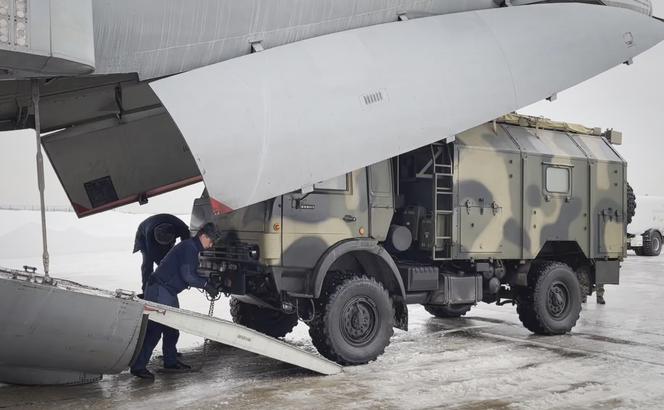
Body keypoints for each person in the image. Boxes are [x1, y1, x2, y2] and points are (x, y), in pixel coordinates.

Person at [130, 223, 222, 380]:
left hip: (168, 291)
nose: (211, 245)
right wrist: (206, 285)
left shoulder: (192, 248)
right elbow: (188, 276)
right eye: (211, 241)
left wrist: (209, 280)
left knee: (172, 328)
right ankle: (138, 367)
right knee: (155, 330)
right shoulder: (189, 248)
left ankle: (170, 362)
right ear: (203, 236)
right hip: (159, 289)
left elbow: (190, 272)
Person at [133, 214, 191, 293]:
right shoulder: (149, 233)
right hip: (143, 235)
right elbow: (152, 255)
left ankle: (166, 286)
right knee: (147, 264)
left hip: (168, 231)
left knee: (168, 258)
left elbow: (186, 246)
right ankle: (146, 291)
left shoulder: (181, 227)